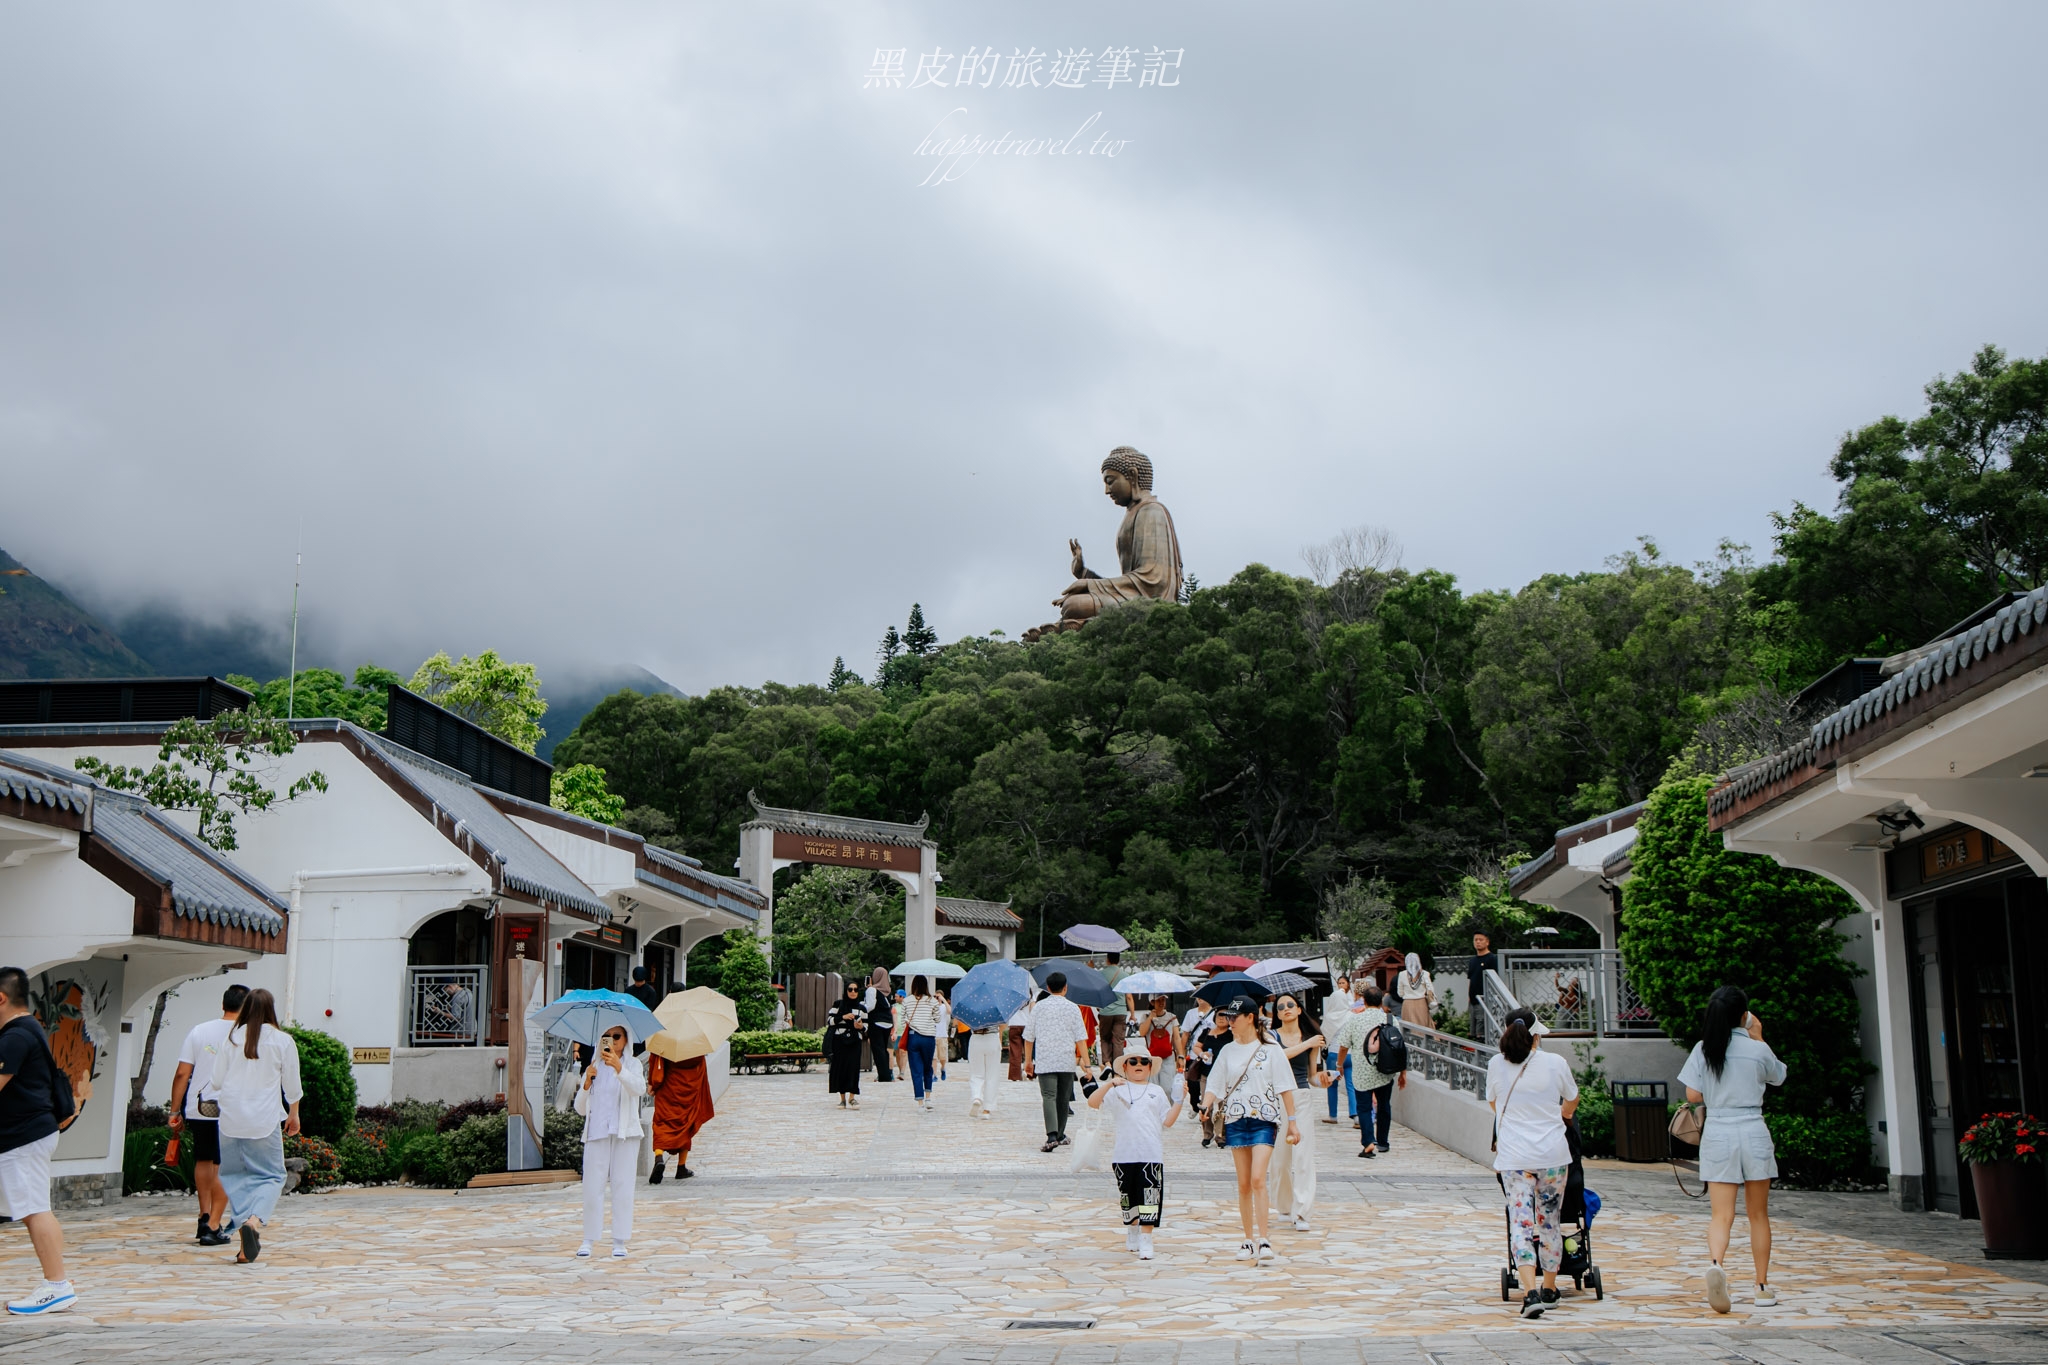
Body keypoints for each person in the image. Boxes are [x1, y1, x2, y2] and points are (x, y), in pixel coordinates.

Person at [1680, 985, 1787, 1314]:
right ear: (1744, 1015)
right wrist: (1758, 1034)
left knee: (1721, 1215)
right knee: (1758, 1214)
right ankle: (1762, 1286)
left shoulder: (1703, 1048)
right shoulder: (1757, 1050)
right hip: (1752, 1127)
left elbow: (1693, 1095)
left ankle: (1717, 1264)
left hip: (1719, 1132)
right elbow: (1779, 1077)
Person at [1487, 1005, 1579, 1319]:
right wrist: (1562, 1116)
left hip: (1514, 1159)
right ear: (1535, 1035)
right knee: (1550, 1221)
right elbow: (1572, 1099)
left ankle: (1529, 1293)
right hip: (1553, 1156)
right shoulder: (1556, 1063)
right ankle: (1550, 1288)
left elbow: (1493, 1103)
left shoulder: (1496, 1065)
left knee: (1521, 1224)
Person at [0, 966, 80, 1314]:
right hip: (23, 1136)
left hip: (23, 1138)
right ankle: (56, 1282)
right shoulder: (28, 1029)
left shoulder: (15, 1037)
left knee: (34, 1209)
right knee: (32, 1208)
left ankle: (57, 1286)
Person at [207, 988, 302, 1266]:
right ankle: (253, 1221)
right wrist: (293, 1114)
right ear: (271, 1009)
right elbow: (292, 1086)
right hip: (264, 1120)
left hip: (230, 1120)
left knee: (237, 1179)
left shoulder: (232, 1038)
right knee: (272, 1176)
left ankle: (244, 1249)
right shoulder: (282, 1041)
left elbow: (215, 1081)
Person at [1202, 997, 1299, 1262]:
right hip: (1235, 1120)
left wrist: (1292, 1120)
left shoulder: (1270, 1049)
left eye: (1234, 1018)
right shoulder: (1227, 1051)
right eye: (1227, 1018)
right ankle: (1248, 1240)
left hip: (1264, 1119)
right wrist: (1205, 1105)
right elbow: (1214, 1083)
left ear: (1250, 1017)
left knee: (1258, 1178)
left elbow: (1285, 1086)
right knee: (1244, 1183)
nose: (1230, 1023)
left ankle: (1265, 1240)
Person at [1086, 1042, 1184, 1261]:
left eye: (1143, 1062)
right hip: (1124, 1154)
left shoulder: (1156, 1091)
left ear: (1150, 1067)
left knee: (1150, 1196)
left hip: (1151, 1154)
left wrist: (1179, 1101)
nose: (1138, 1065)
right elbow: (1092, 1103)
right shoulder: (1117, 1089)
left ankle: (1146, 1239)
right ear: (1125, 1066)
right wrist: (1109, 1084)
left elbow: (1167, 1121)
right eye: (1133, 1061)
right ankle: (1132, 1229)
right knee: (1128, 1198)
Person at [169, 983, 248, 1246]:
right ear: (247, 1007)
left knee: (204, 1159)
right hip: (233, 1108)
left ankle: (203, 1215)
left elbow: (182, 1073)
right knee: (225, 1165)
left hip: (200, 1107)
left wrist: (174, 1110)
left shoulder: (199, 1031)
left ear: (223, 1004)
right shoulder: (248, 1034)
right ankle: (213, 1225)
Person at [573, 1024, 645, 1258]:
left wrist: (618, 1067)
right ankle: (588, 1239)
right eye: (607, 1037)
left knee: (623, 1186)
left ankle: (619, 1240)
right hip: (597, 1132)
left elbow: (639, 1089)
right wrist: (586, 1084)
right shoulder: (593, 1067)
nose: (612, 1041)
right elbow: (580, 1109)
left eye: (617, 1036)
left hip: (625, 1134)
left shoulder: (632, 1065)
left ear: (625, 1040)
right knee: (592, 1187)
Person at [1268, 992, 1327, 1232]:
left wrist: (1322, 1080)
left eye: (1291, 1004)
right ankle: (1284, 1206)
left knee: (1303, 1156)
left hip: (1301, 1096)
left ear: (1299, 1009)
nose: (1286, 1008)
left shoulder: (1312, 1038)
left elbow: (1312, 1076)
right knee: (1280, 1158)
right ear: (1277, 1014)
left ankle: (1302, 1212)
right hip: (1276, 1098)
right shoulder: (1271, 1037)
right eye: (1280, 1007)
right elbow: (1276, 1058)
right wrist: (1308, 1044)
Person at [1023, 973, 1088, 1153]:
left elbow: (1028, 1037)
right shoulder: (1073, 1008)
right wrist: (1088, 1065)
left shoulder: (1039, 1007)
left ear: (1048, 988)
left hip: (1045, 1059)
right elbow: (1081, 1039)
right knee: (1063, 1098)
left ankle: (1052, 1135)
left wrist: (1028, 1061)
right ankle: (1059, 1134)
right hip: (1066, 1060)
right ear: (1065, 987)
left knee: (1049, 1096)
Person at [1333, 984, 1395, 1157]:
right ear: (1381, 1001)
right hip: (1385, 1070)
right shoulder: (1390, 1020)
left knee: (1364, 1107)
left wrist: (1339, 1065)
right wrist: (1402, 1071)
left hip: (1362, 1072)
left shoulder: (1355, 1020)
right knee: (1384, 1106)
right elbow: (1398, 1045)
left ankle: (1368, 1142)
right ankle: (1383, 1142)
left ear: (1364, 1001)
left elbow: (1344, 1045)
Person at [646, 1049, 712, 1184]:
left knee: (661, 1124)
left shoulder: (665, 1043)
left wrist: (652, 1083)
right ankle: (681, 1167)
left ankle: (659, 1158)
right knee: (685, 1125)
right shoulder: (696, 1047)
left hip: (667, 1091)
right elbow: (701, 1072)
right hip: (688, 1094)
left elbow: (656, 1071)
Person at [902, 975, 946, 1109]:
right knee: (928, 1067)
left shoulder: (907, 1001)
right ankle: (928, 1098)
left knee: (916, 1070)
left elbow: (903, 1017)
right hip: (928, 1037)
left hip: (913, 1036)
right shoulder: (932, 1001)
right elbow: (938, 1020)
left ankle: (920, 1102)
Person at [824, 981, 867, 1109]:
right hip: (839, 1041)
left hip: (855, 1041)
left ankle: (852, 1097)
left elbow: (866, 1027)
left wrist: (860, 1027)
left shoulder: (861, 1008)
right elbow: (829, 1021)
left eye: (855, 990)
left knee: (853, 1068)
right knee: (840, 1068)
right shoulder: (838, 1005)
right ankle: (842, 1098)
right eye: (850, 989)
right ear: (846, 991)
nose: (853, 992)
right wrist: (842, 1016)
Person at [1323, 978, 1357, 1126]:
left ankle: (1333, 1115)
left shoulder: (1329, 1017)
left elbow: (1325, 1037)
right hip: (1350, 1054)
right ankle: (1355, 1115)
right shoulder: (1352, 1016)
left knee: (1332, 1085)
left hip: (1333, 1054)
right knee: (1351, 1085)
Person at [1137, 996, 1180, 1092]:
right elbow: (1142, 1033)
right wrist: (1150, 1018)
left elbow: (1176, 1038)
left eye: (1163, 1000)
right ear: (1152, 1002)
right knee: (1152, 1088)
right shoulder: (1145, 1016)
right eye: (1158, 1001)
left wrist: (1180, 1055)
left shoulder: (1171, 1017)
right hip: (1151, 1057)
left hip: (1168, 1057)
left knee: (1168, 1088)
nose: (1161, 1003)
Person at [966, 1014, 1004, 1120]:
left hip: (976, 1037)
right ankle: (987, 1109)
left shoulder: (971, 1006)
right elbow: (1003, 1025)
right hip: (992, 1038)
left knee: (976, 1073)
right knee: (992, 1076)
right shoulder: (996, 1005)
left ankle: (976, 1097)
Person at [863, 968, 895, 1082]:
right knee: (884, 1049)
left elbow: (870, 1006)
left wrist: (861, 1007)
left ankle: (883, 1075)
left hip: (876, 1022)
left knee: (878, 1049)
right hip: (887, 1022)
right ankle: (886, 1073)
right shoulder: (888, 991)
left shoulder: (872, 990)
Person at [1396, 954, 1436, 1028]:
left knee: (1409, 1029)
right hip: (1421, 1003)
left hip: (1407, 1004)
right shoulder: (1425, 974)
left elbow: (1400, 993)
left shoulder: (1402, 975)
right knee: (1423, 1027)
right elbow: (1430, 989)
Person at [1467, 932, 1499, 1019]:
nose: (1478, 942)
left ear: (1487, 942)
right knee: (1473, 1029)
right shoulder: (1472, 961)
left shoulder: (1492, 959)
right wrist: (1469, 998)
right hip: (1473, 1000)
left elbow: (1496, 980)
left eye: (1480, 940)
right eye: (1475, 940)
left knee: (1481, 1029)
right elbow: (1471, 979)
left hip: (1485, 1000)